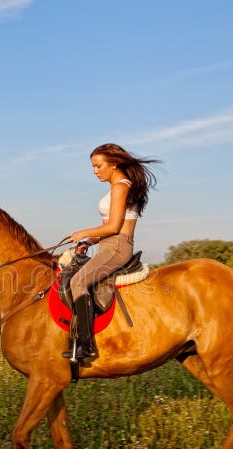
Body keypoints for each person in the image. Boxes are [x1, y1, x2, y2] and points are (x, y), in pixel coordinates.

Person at [69, 143, 158, 358]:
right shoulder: (115, 188)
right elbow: (109, 227)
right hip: (107, 245)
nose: (95, 171)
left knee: (77, 282)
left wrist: (82, 232)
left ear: (114, 164)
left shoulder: (121, 187)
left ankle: (87, 344)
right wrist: (89, 242)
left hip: (118, 246)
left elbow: (114, 227)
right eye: (93, 167)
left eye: (99, 166)